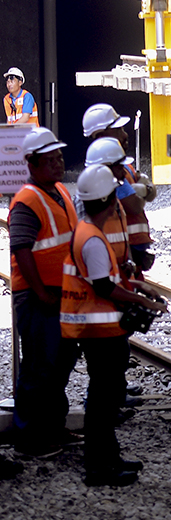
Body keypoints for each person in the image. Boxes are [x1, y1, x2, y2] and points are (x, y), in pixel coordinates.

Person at [61, 165, 167, 487]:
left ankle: (110, 457)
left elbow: (112, 278)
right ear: (108, 202)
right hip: (100, 331)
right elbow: (104, 287)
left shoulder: (87, 231)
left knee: (103, 399)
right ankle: (99, 467)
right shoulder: (92, 239)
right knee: (103, 401)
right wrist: (142, 302)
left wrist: (138, 285)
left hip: (101, 329)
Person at [7, 128, 78, 458]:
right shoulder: (27, 201)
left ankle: (52, 425)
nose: (58, 164)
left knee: (61, 362)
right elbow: (21, 249)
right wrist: (41, 292)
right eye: (50, 160)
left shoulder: (60, 192)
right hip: (39, 297)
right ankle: (30, 437)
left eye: (59, 157)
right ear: (33, 164)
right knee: (39, 367)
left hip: (61, 295)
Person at [83, 103, 157, 272]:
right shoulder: (106, 170)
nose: (124, 134)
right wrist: (143, 190)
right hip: (121, 249)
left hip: (128, 247)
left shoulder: (122, 166)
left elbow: (146, 191)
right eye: (118, 129)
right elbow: (134, 205)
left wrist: (144, 189)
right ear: (100, 135)